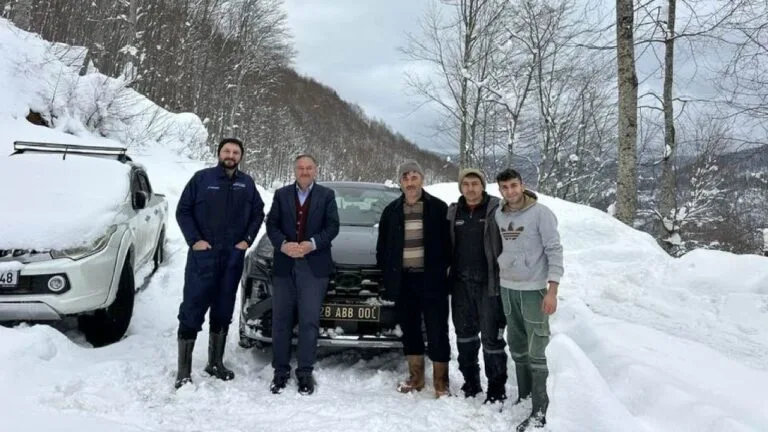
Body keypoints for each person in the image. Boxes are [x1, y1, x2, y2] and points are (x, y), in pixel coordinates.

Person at [174, 137, 265, 389]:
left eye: (236, 152)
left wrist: (247, 240)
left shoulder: (246, 183)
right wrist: (194, 240)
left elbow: (259, 212)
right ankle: (183, 370)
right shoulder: (202, 179)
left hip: (232, 259)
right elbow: (183, 210)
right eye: (227, 150)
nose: (231, 155)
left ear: (241, 156)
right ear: (219, 153)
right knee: (192, 308)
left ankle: (215, 363)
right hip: (204, 257)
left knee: (224, 309)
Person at [494, 168, 563, 431]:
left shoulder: (541, 214)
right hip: (507, 288)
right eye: (504, 187)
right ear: (500, 190)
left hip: (534, 290)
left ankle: (540, 408)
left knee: (538, 350)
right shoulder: (500, 214)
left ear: (522, 185)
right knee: (517, 345)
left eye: (514, 185)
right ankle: (524, 397)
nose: (510, 191)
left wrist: (552, 290)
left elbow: (554, 250)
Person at [376, 160, 452, 398]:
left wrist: (444, 273)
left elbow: (450, 246)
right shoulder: (391, 211)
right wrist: (390, 277)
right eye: (405, 177)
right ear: (400, 182)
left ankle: (441, 382)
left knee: (437, 330)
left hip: (432, 282)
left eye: (414, 176)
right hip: (404, 283)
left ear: (422, 179)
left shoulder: (439, 209)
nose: (410, 181)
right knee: (410, 330)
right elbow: (382, 249)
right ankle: (416, 378)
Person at [265, 154, 340, 396]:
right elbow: (271, 225)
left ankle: (305, 372)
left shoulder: (327, 196)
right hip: (284, 265)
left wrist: (313, 244)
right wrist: (283, 244)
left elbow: (333, 227)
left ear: (316, 171)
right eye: (301, 168)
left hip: (314, 266)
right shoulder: (281, 194)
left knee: (309, 321)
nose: (305, 171)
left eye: (309, 168)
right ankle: (280, 371)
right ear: (294, 170)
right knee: (281, 321)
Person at [446, 169, 508, 403]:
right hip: (461, 284)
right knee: (465, 337)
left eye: (475, 183)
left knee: (492, 340)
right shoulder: (453, 212)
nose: (470, 188)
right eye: (466, 184)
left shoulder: (496, 209)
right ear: (461, 187)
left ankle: (496, 387)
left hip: (489, 285)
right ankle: (471, 382)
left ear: (482, 186)